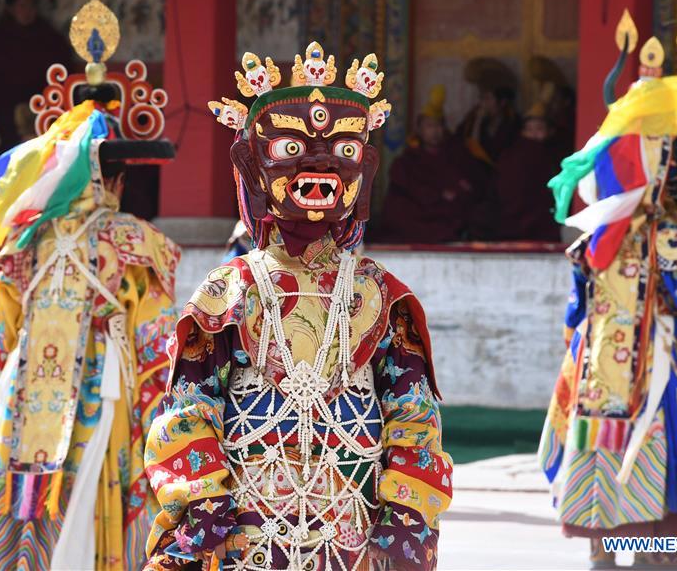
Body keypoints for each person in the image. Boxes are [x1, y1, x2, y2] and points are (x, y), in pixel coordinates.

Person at [144, 43, 453, 570]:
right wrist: (207, 508)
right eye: (290, 150)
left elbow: (415, 421)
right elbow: (190, 412)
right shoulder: (228, 293)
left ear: (366, 172)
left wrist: (403, 523)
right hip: (244, 538)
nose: (319, 164)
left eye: (345, 151)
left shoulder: (382, 297)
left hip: (351, 537)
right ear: (251, 167)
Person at [0, 1, 180, 570]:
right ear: (118, 179)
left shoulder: (24, 242)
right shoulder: (137, 243)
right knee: (96, 489)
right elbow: (159, 347)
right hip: (102, 386)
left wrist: (12, 375)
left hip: (29, 385)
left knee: (17, 488)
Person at [538, 14, 677, 570]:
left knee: (628, 436)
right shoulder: (655, 238)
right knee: (657, 446)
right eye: (653, 150)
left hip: (614, 366)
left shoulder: (597, 241)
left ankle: (618, 545)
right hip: (643, 366)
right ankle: (646, 547)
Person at [0, 0, 72, 149]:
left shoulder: (49, 38)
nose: (27, 11)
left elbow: (63, 74)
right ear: (11, 9)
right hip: (5, 116)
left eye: (31, 6)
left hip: (41, 111)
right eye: (22, 6)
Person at [374, 85, 469, 243]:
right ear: (419, 129)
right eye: (429, 126)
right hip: (419, 209)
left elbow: (462, 182)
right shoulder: (408, 159)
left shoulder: (453, 154)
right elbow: (408, 185)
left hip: (442, 210)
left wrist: (458, 188)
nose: (435, 131)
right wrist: (436, 195)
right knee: (397, 208)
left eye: (439, 126)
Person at [451, 58, 520, 240]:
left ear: (502, 102)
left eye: (487, 99)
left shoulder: (514, 123)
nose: (482, 103)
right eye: (481, 98)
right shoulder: (473, 120)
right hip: (476, 180)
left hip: (503, 180)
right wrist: (478, 122)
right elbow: (461, 147)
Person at [495, 99, 562, 242]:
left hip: (542, 219)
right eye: (529, 129)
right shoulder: (514, 154)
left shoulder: (553, 153)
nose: (533, 134)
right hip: (518, 218)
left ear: (550, 131)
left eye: (539, 129)